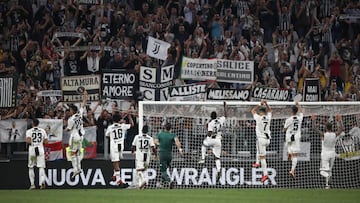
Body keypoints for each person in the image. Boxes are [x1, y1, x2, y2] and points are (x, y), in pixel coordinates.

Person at [311, 114, 343, 189]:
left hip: (325, 154)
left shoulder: (324, 135)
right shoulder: (334, 134)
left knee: (323, 171)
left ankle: (327, 179)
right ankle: (327, 185)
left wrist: (313, 120)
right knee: (329, 170)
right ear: (331, 128)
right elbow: (341, 129)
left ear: (326, 128)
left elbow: (314, 128)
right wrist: (340, 120)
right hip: (332, 153)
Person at [198, 101, 227, 182]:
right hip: (218, 141)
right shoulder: (220, 120)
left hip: (212, 139)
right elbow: (225, 115)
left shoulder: (210, 123)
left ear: (211, 116)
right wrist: (225, 106)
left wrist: (207, 133)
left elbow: (210, 133)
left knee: (204, 144)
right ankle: (218, 170)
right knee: (217, 158)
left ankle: (203, 159)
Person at [105, 111, 134, 186]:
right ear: (119, 119)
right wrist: (129, 117)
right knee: (117, 161)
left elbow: (106, 136)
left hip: (114, 146)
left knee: (115, 163)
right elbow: (132, 125)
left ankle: (118, 180)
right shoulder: (122, 126)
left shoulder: (110, 127)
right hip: (121, 146)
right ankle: (115, 175)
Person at [66, 90, 88, 178]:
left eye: (70, 110)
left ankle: (75, 169)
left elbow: (68, 129)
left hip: (74, 136)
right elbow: (83, 104)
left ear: (72, 111)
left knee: (72, 153)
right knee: (78, 153)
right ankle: (79, 168)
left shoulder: (71, 119)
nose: (69, 111)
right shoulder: (80, 114)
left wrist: (65, 128)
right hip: (81, 137)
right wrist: (85, 96)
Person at [154, 122, 183, 188]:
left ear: (164, 127)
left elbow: (155, 142)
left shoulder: (160, 134)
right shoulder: (173, 135)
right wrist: (180, 150)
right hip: (169, 155)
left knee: (163, 171)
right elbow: (177, 143)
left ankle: (170, 181)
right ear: (171, 128)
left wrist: (159, 145)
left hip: (162, 154)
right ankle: (162, 183)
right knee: (165, 169)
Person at [251, 99, 272, 183]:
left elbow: (252, 110)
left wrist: (260, 104)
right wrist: (266, 103)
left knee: (263, 158)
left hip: (261, 139)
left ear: (260, 112)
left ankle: (265, 174)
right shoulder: (268, 117)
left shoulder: (258, 118)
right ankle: (257, 162)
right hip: (268, 140)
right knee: (258, 148)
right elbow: (270, 110)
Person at [26, 118, 48, 189]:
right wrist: (40, 142)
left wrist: (33, 142)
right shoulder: (42, 131)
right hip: (40, 149)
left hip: (32, 149)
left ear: (32, 123)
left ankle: (32, 184)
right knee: (41, 167)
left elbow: (28, 141)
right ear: (38, 124)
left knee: (31, 167)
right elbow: (46, 142)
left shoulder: (29, 131)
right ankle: (42, 182)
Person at [284, 101, 303, 178]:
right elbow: (301, 112)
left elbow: (285, 129)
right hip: (296, 137)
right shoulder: (299, 118)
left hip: (289, 136)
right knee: (295, 155)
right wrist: (299, 105)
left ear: (291, 111)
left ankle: (289, 152)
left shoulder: (288, 119)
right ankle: (292, 170)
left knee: (289, 146)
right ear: (297, 111)